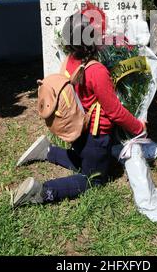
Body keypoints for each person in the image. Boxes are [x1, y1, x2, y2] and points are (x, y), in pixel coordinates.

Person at [12, 13, 146, 207]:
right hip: (96, 135)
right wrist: (138, 127)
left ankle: (47, 150)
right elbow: (115, 111)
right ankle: (42, 192)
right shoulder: (97, 71)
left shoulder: (69, 60)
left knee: (82, 160)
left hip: (77, 131)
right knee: (94, 180)